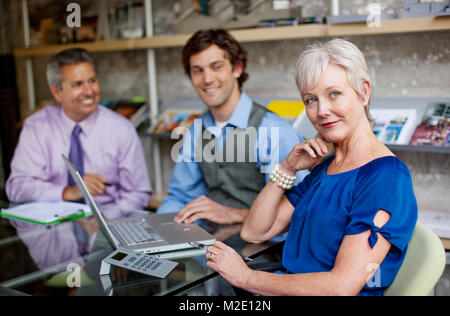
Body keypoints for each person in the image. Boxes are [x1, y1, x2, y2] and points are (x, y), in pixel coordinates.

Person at [204, 39, 418, 296]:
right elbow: (255, 231)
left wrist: (248, 278)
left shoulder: (385, 177)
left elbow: (342, 287)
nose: (322, 111)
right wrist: (287, 168)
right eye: (310, 100)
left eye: (334, 94)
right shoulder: (326, 168)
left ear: (364, 92)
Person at [6, 48, 152, 268]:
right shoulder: (36, 127)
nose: (89, 91)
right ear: (57, 92)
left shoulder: (120, 128)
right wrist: (68, 192)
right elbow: (16, 187)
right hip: (51, 239)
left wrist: (102, 218)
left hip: (110, 238)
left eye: (92, 81)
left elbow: (139, 192)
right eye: (77, 84)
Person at [157, 29, 308, 226]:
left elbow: (296, 213)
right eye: (197, 70)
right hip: (210, 242)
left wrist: (233, 214)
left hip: (262, 249)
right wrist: (155, 232)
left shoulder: (274, 131)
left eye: (216, 66)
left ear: (237, 68)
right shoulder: (196, 129)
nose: (207, 79)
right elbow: (181, 197)